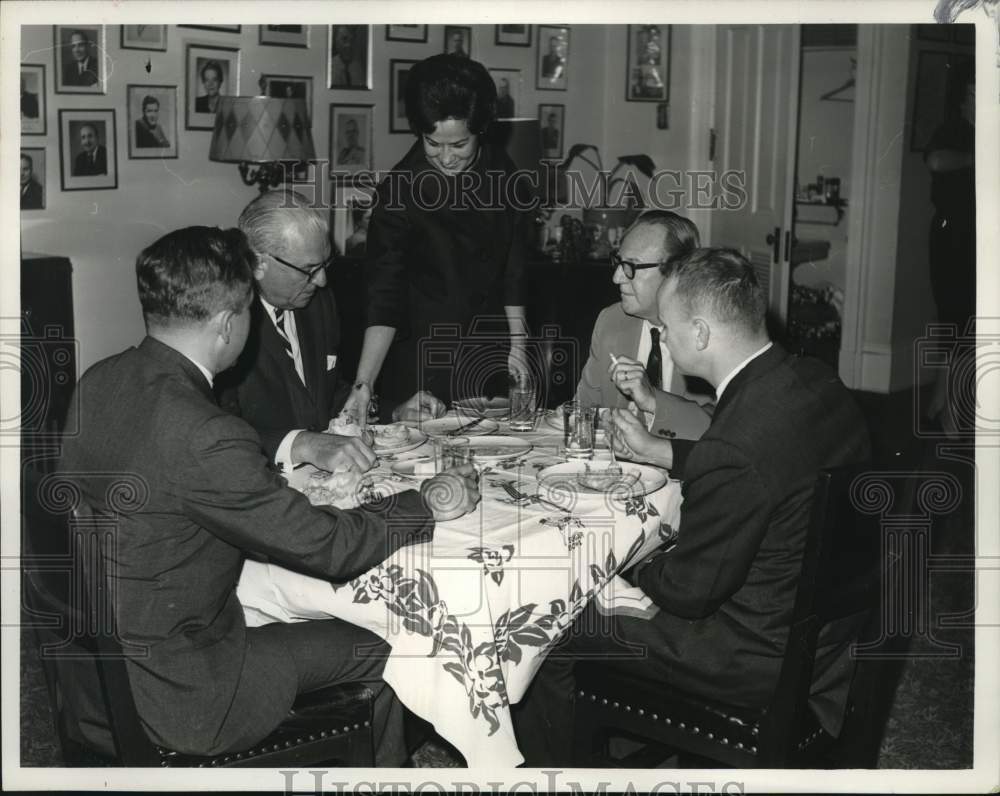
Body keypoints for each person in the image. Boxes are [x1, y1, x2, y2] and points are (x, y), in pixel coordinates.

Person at [57, 225, 480, 761]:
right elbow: (330, 548)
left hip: (99, 681)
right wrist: (424, 499)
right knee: (397, 647)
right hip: (185, 696)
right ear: (229, 323)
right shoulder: (204, 433)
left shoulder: (99, 379)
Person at [513, 247, 871, 766]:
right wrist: (668, 452)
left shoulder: (739, 440)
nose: (664, 340)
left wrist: (629, 564)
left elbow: (687, 591)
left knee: (548, 615)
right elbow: (768, 464)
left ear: (700, 334)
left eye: (666, 329)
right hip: (824, 642)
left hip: (746, 652)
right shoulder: (814, 381)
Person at [341, 54, 532, 422]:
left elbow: (514, 270)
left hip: (489, 348)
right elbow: (384, 296)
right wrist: (362, 386)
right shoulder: (398, 191)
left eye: (459, 145)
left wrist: (519, 346)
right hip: (421, 359)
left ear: (482, 128)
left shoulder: (503, 172)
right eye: (432, 142)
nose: (445, 158)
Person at [216, 190, 444, 473]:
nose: (322, 280)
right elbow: (215, 432)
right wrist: (304, 445)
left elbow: (324, 395)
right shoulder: (226, 324)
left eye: (325, 264)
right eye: (309, 269)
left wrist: (392, 412)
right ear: (258, 263)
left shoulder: (315, 302)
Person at [576, 210, 714, 441]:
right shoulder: (611, 321)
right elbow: (583, 410)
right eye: (618, 262)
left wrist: (653, 401)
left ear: (675, 272)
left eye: (632, 266)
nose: (617, 277)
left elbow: (723, 429)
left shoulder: (707, 333)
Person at [924, 62, 975, 437]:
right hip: (951, 235)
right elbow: (936, 160)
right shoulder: (956, 130)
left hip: (978, 236)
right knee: (960, 322)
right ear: (962, 98)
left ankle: (938, 404)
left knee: (957, 325)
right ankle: (951, 417)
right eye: (973, 93)